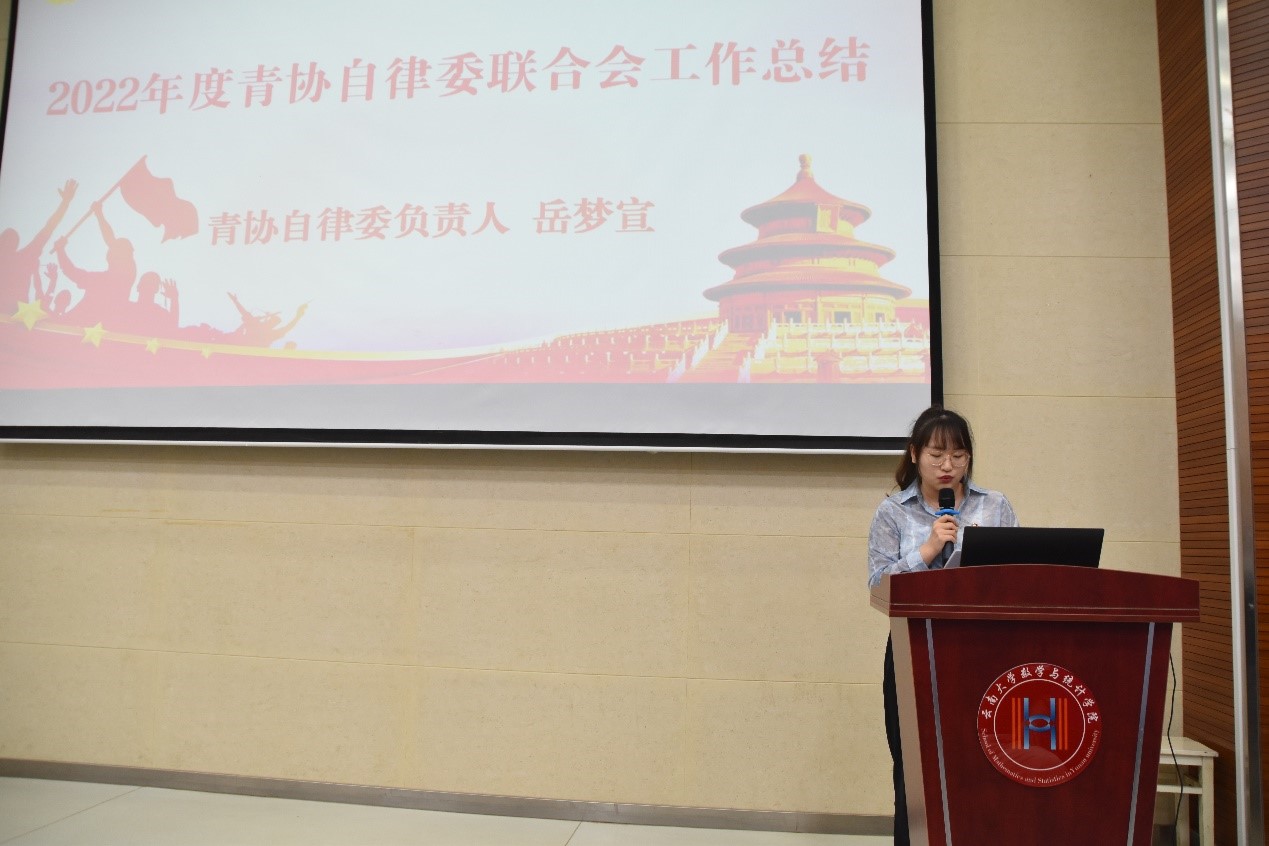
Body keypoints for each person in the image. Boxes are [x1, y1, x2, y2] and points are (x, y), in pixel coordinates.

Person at [866, 405, 1018, 846]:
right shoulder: (893, 512)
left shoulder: (995, 506)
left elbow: (1019, 574)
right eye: (936, 455)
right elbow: (878, 585)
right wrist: (927, 551)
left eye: (958, 455)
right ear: (915, 455)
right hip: (915, 649)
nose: (948, 465)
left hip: (986, 652)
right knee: (913, 766)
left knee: (984, 762)